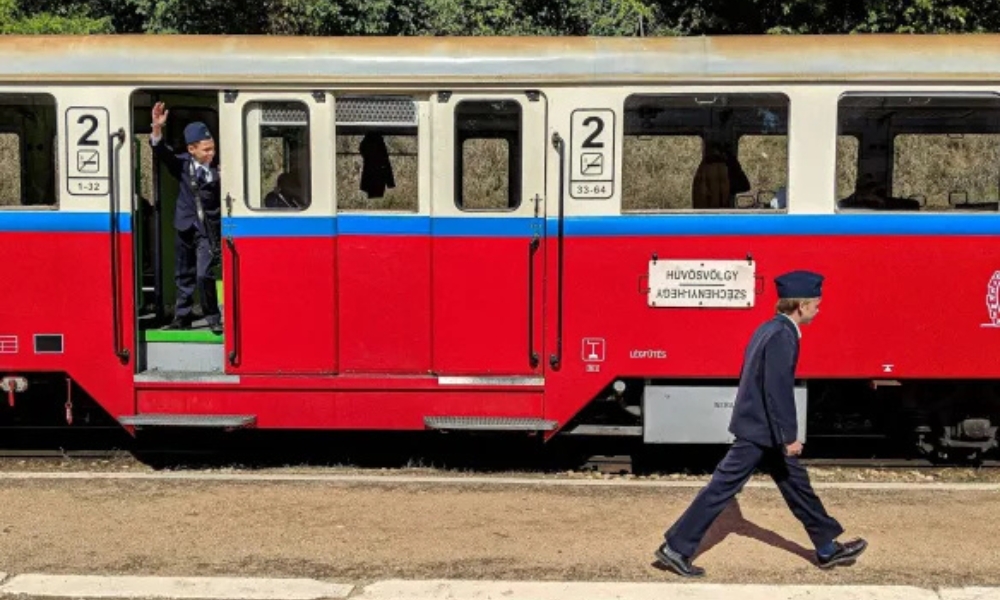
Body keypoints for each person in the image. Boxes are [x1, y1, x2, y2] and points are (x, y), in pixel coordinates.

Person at [654, 270, 867, 577]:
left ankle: (827, 547)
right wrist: (788, 436)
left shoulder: (768, 328)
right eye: (816, 304)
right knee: (721, 489)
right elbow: (776, 389)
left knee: (796, 486)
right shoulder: (783, 335)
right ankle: (675, 548)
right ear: (801, 305)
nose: (819, 310)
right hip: (760, 431)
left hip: (760, 428)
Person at [149, 102, 222, 335]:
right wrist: (157, 129)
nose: (211, 153)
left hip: (207, 229)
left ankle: (213, 316)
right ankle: (183, 316)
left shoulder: (219, 170)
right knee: (184, 273)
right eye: (206, 150)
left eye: (213, 148)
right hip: (184, 225)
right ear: (192, 149)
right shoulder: (181, 164)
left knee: (204, 273)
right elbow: (161, 151)